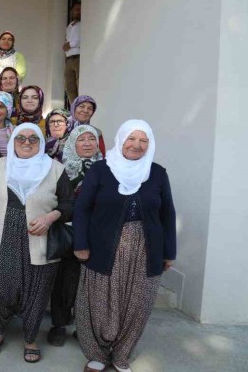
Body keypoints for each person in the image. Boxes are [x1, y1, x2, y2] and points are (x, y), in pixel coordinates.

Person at [74, 120, 176, 372]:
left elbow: (167, 214)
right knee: (98, 301)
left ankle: (121, 355)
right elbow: (82, 209)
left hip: (146, 249)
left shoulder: (157, 173)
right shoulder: (101, 170)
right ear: (121, 140)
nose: (136, 145)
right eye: (131, 138)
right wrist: (80, 243)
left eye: (143, 141)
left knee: (138, 304)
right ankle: (96, 354)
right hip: (103, 246)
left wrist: (169, 252)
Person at [0, 123, 74, 363]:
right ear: (13, 141)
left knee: (36, 288)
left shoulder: (55, 169)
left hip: (39, 238)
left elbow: (69, 204)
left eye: (33, 139)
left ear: (41, 143)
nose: (27, 143)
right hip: (0, 236)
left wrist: (51, 217)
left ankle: (30, 338)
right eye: (21, 138)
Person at [47, 124, 103, 348]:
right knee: (64, 280)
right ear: (72, 144)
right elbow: (56, 199)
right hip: (68, 231)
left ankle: (84, 327)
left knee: (91, 283)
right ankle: (59, 324)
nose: (87, 143)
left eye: (92, 139)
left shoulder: (108, 169)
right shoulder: (60, 169)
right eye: (82, 139)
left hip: (97, 233)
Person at [64, 2, 81, 104]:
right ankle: (74, 108)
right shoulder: (69, 27)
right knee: (70, 87)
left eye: (80, 10)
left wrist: (70, 44)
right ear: (72, 12)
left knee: (80, 85)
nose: (79, 12)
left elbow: (81, 40)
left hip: (78, 58)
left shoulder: (83, 24)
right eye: (77, 9)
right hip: (69, 58)